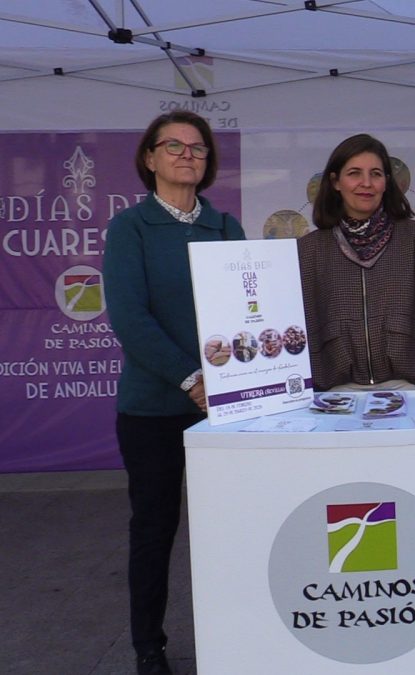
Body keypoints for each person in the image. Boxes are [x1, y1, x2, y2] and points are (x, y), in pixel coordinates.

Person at [103, 111, 244, 675]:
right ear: (150, 158)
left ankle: (237, 634)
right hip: (154, 410)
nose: (188, 155)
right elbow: (131, 320)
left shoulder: (226, 226)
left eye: (198, 148)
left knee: (231, 527)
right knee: (155, 531)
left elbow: (244, 315)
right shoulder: (129, 228)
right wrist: (192, 378)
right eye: (175, 146)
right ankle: (149, 647)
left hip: (226, 408)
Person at [298, 134, 415, 395]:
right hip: (333, 391)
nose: (366, 183)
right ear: (335, 182)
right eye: (354, 173)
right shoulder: (309, 250)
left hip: (410, 386)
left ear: (386, 182)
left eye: (376, 174)